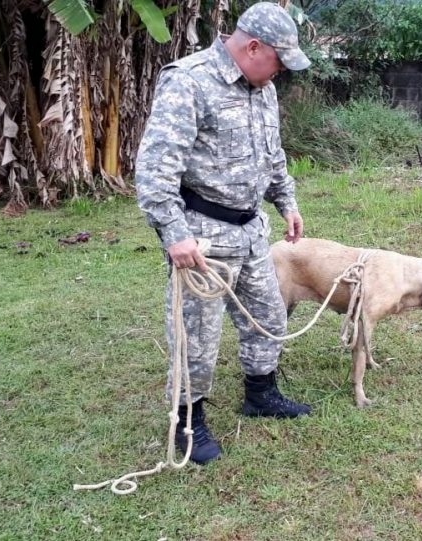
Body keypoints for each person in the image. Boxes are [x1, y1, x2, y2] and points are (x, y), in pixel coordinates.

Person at [135, 2, 312, 465]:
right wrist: (174, 234)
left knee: (270, 316)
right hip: (202, 238)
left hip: (252, 229)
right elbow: (155, 171)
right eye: (278, 61)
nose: (279, 74)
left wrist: (286, 201)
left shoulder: (263, 88)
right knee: (196, 338)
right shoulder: (189, 81)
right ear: (253, 47)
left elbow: (273, 155)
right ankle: (188, 423)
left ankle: (261, 394)